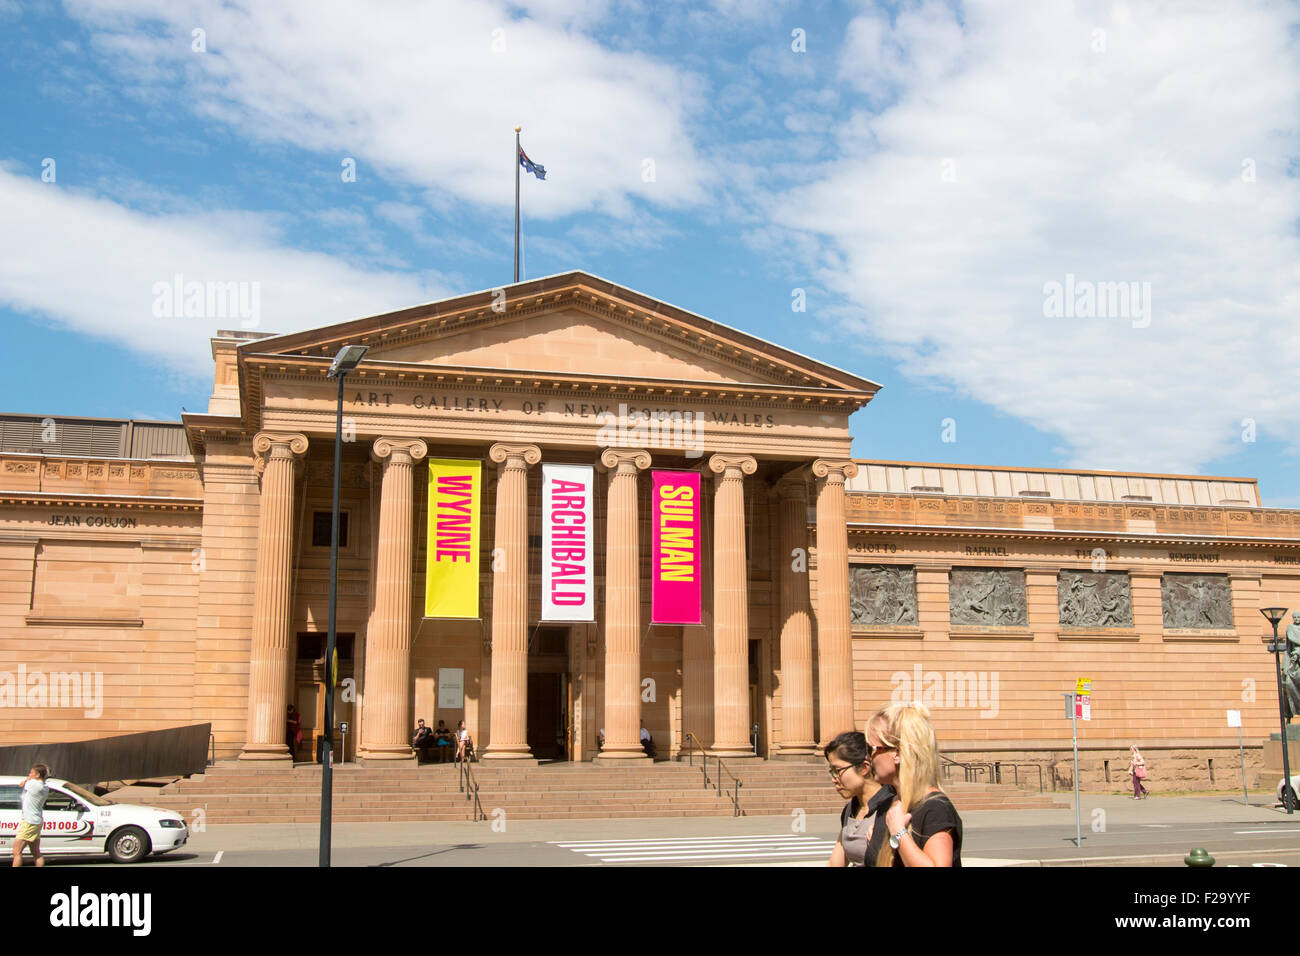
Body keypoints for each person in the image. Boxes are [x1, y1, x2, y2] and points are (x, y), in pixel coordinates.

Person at [861, 701, 963, 867]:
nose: (868, 758)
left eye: (871, 748)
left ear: (898, 753)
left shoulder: (935, 809)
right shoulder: (888, 804)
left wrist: (898, 832)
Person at [824, 731, 883, 867]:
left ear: (864, 768)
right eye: (832, 771)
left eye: (838, 771)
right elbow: (835, 863)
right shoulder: (851, 809)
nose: (834, 779)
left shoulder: (890, 807)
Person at [12, 764, 49, 868]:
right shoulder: (45, 787)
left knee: (17, 851)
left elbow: (22, 783)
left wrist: (28, 778)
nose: (29, 774)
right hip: (36, 821)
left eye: (31, 773)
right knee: (36, 852)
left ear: (37, 775)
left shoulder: (34, 784)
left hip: (29, 821)